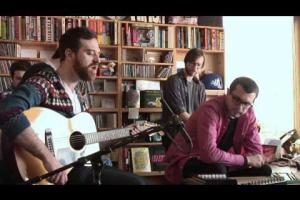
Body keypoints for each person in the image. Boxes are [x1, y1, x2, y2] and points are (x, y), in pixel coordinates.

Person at [0, 27, 148, 185]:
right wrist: (48, 158)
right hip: (49, 172)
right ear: (69, 54)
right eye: (90, 53)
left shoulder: (80, 94)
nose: (98, 60)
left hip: (77, 167)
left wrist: (125, 133)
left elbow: (85, 142)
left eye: (98, 54)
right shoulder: (46, 81)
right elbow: (8, 110)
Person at [164, 77, 272, 184]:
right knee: (218, 170)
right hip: (188, 161)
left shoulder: (249, 114)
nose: (240, 108)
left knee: (264, 170)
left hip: (220, 164)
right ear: (228, 93)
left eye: (246, 104)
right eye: (236, 99)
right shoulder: (210, 110)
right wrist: (246, 160)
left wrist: (255, 159)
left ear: (252, 103)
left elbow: (256, 153)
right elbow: (209, 153)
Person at [161, 48, 206, 150]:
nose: (195, 68)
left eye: (198, 65)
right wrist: (201, 128)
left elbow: (203, 112)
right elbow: (181, 113)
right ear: (186, 62)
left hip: (193, 135)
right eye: (192, 63)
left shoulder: (200, 86)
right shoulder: (173, 81)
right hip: (174, 135)